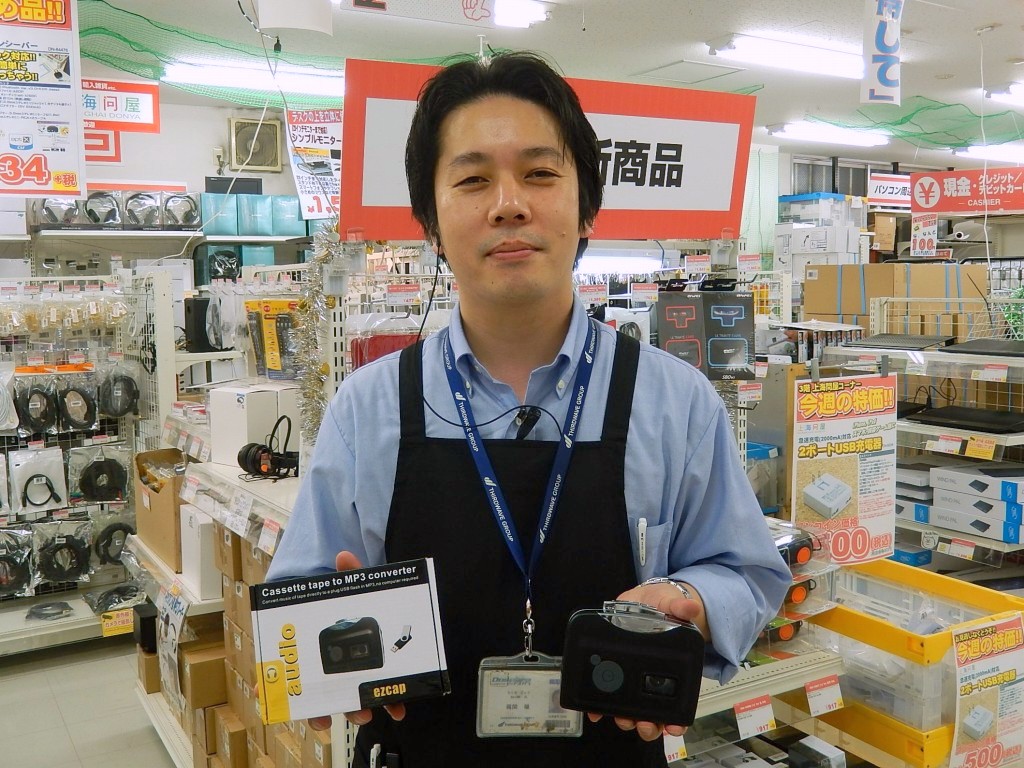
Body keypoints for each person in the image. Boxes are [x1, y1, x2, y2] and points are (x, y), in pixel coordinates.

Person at [266, 51, 790, 766]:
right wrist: (322, 644)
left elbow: (748, 573)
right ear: (431, 222)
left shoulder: (676, 401)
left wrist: (692, 601)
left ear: (586, 209)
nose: (508, 204)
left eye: (540, 173)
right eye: (472, 178)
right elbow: (295, 599)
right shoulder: (369, 406)